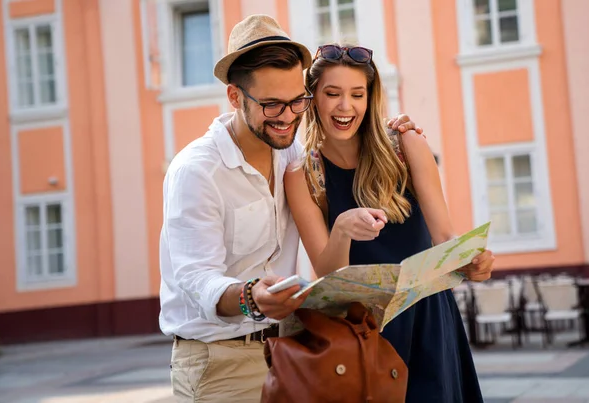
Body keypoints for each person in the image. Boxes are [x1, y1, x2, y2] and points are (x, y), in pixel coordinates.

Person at [158, 16, 420, 402]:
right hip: (219, 364)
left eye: (298, 100)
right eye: (271, 104)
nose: (287, 116)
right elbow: (196, 278)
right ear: (234, 97)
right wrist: (250, 296)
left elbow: (345, 137)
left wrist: (390, 130)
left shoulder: (293, 155)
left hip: (292, 350)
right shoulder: (197, 170)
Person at [284, 44, 495, 402]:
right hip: (362, 330)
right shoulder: (301, 174)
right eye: (332, 93)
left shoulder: (407, 145)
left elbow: (445, 237)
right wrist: (342, 230)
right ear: (313, 98)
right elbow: (327, 272)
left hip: (427, 317)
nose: (345, 106)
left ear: (371, 97)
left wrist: (474, 262)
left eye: (357, 94)